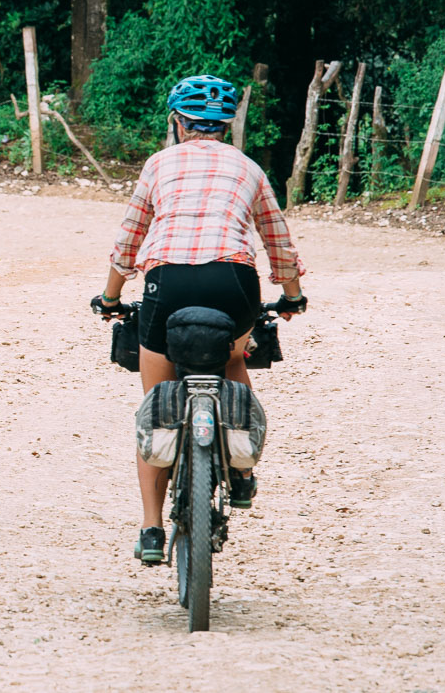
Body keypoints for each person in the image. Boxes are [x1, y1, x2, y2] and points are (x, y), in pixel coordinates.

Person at [94, 75, 307, 565]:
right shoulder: (248, 168)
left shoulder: (159, 164)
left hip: (166, 281)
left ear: (177, 122)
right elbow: (278, 240)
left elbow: (130, 238)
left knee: (156, 402)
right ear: (225, 125)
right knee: (233, 360)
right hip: (232, 281)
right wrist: (291, 296)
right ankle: (242, 464)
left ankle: (150, 529)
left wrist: (110, 297)